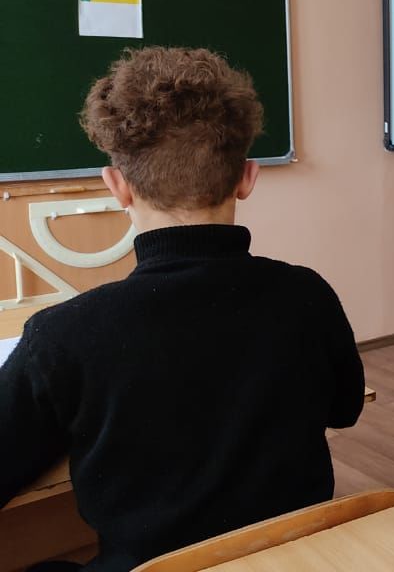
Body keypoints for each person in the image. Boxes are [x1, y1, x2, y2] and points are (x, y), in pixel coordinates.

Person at [0, 47, 366, 571]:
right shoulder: (308, 294)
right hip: (296, 558)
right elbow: (345, 410)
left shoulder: (62, 337)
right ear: (247, 178)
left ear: (117, 187)